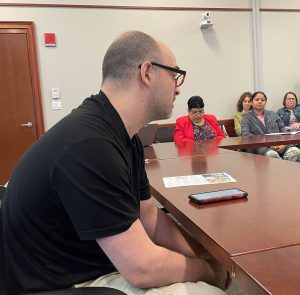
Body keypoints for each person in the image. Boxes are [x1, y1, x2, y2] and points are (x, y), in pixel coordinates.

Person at [2, 31, 227, 295]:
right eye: (174, 75)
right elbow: (141, 268)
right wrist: (208, 271)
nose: (178, 87)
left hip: (87, 263)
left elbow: (149, 216)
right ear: (147, 72)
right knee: (208, 292)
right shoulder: (90, 144)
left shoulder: (122, 135)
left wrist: (204, 256)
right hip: (57, 284)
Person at [241, 91, 300, 161]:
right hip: (260, 147)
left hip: (280, 144)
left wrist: (283, 144)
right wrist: (269, 144)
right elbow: (246, 134)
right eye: (257, 100)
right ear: (252, 102)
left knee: (295, 151)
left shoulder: (272, 114)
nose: (260, 102)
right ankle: (283, 170)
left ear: (265, 102)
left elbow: (283, 129)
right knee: (272, 155)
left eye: (262, 100)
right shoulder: (246, 117)